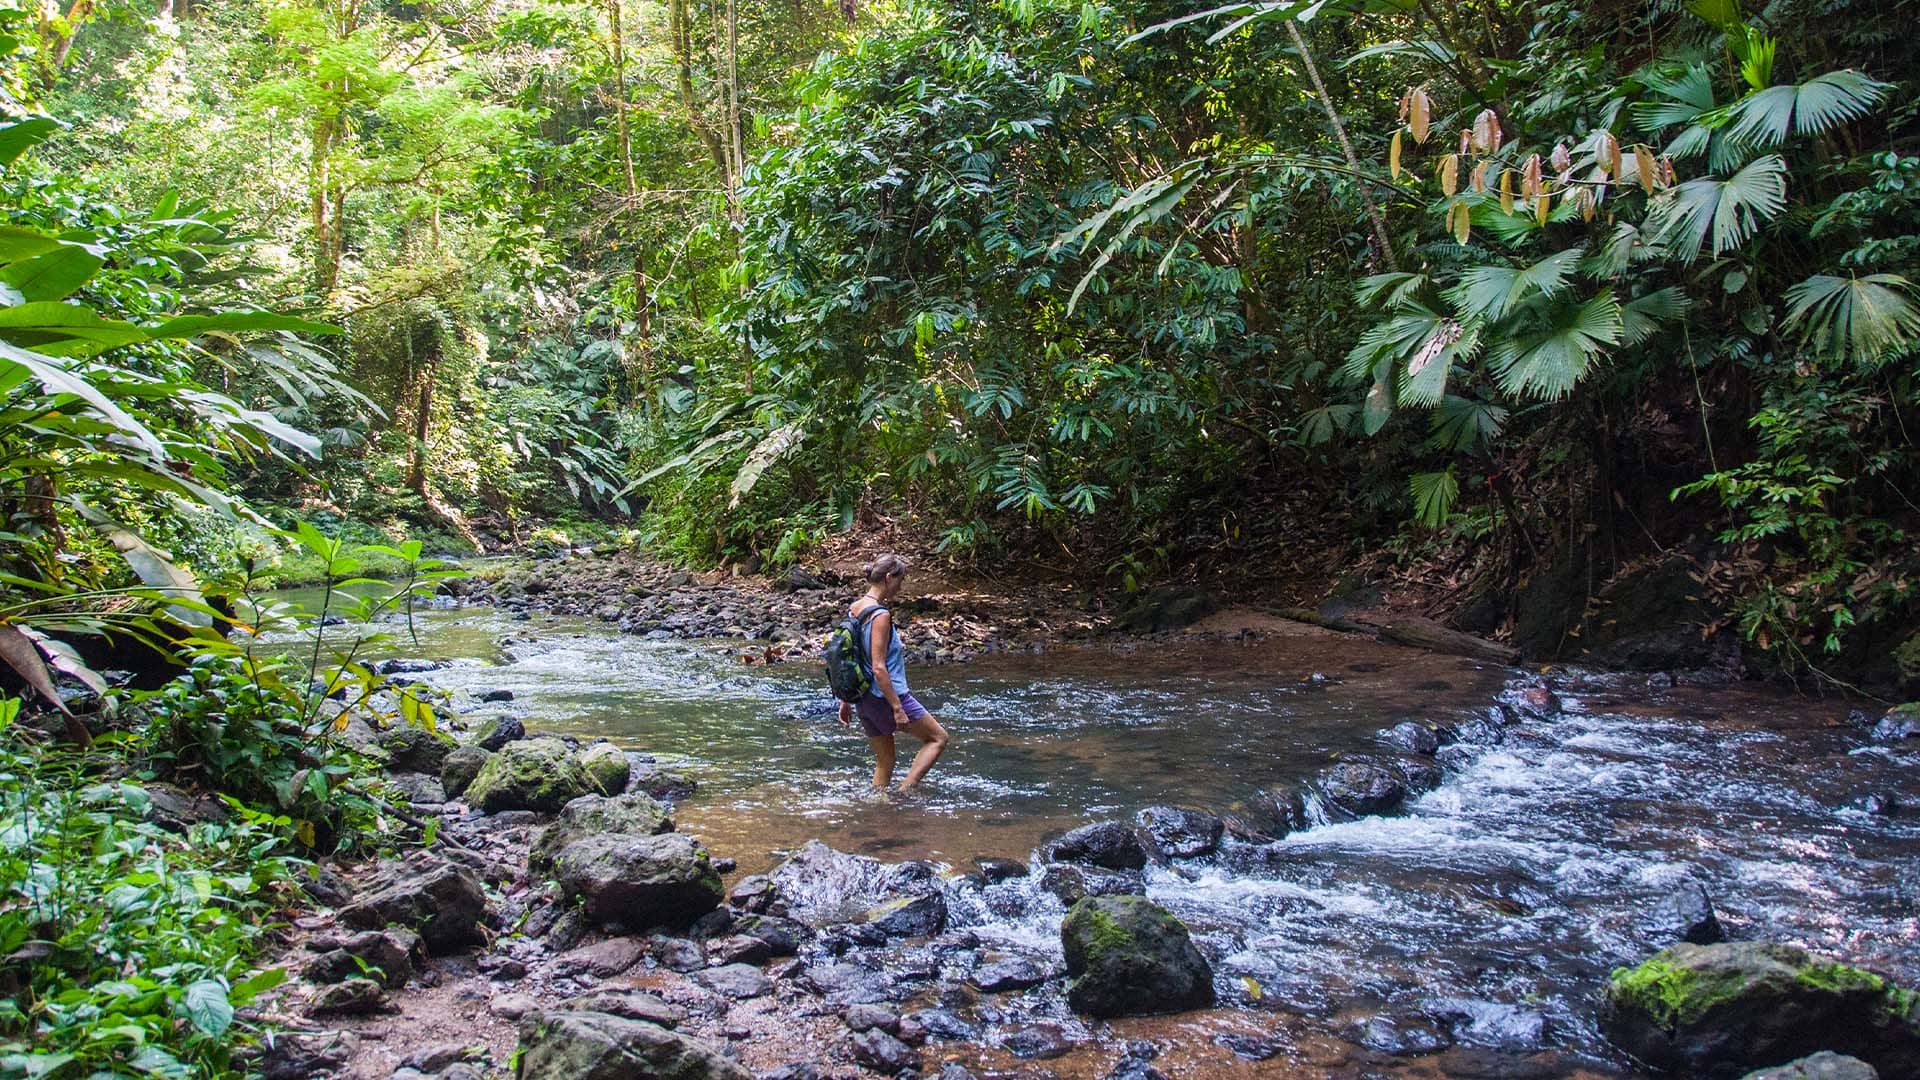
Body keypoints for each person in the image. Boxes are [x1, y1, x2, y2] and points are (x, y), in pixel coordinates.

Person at [837, 554, 950, 790]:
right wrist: (897, 708)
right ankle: (904, 792)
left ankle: (881, 809)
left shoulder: (854, 609)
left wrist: (846, 699)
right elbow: (879, 667)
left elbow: (847, 658)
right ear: (889, 578)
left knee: (885, 761)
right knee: (938, 738)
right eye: (901, 580)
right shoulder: (880, 615)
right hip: (886, 696)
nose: (901, 586)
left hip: (864, 698)